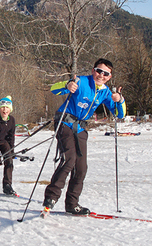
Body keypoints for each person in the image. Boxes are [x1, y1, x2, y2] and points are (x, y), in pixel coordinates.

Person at [43, 58, 126, 215]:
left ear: (109, 76)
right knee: (69, 159)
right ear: (93, 70)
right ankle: (51, 197)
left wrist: (119, 100)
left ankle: (72, 204)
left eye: (105, 73)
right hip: (65, 122)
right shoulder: (81, 81)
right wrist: (67, 86)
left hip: (81, 127)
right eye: (98, 70)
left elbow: (119, 114)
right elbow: (54, 89)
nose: (100, 75)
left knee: (81, 168)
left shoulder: (106, 92)